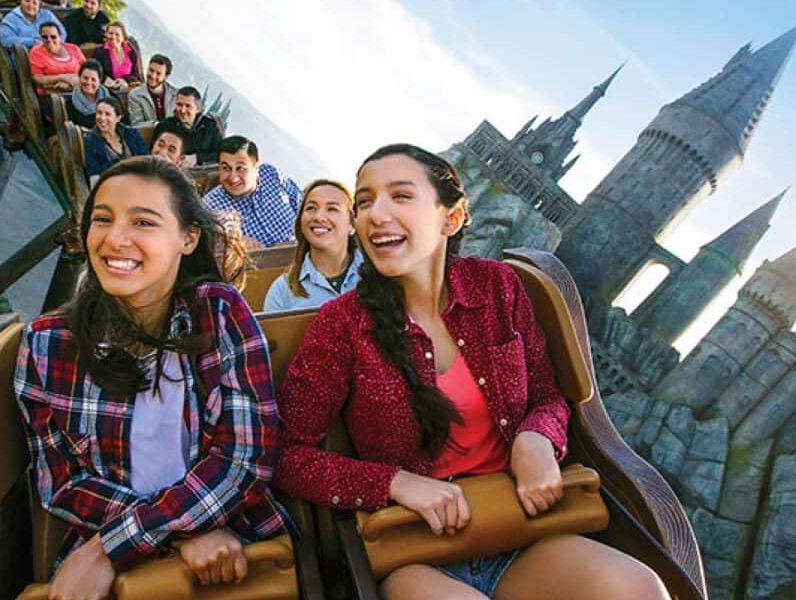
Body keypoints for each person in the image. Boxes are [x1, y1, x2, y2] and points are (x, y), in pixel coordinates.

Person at [274, 144, 669, 600]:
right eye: (364, 201)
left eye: (400, 196)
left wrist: (537, 438)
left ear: (452, 217)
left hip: (518, 526)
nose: (375, 214)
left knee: (639, 588)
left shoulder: (499, 287)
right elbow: (288, 455)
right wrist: (396, 483)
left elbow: (547, 395)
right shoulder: (341, 324)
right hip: (415, 550)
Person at [15, 157, 283, 599]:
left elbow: (244, 462)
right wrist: (175, 535)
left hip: (236, 543)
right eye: (103, 219)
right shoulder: (47, 344)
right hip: (119, 563)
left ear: (188, 238)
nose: (115, 239)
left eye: (143, 222)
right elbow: (62, 482)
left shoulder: (218, 313)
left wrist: (114, 545)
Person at [263, 179, 364, 312]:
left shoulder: (377, 272)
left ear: (352, 224)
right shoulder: (282, 291)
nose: (318, 217)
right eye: (311, 208)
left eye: (332, 209)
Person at [202, 136, 300, 249]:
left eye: (240, 168)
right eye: (226, 168)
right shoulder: (210, 205)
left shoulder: (272, 175)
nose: (233, 178)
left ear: (256, 167)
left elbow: (302, 205)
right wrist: (234, 244)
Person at [155, 87, 224, 166]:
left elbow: (221, 153)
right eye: (179, 105)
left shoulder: (210, 126)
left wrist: (197, 158)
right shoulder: (165, 126)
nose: (182, 110)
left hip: (203, 170)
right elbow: (154, 153)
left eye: (188, 106)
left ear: (198, 109)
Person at [83, 98, 149, 181]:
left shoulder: (131, 133)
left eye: (107, 114)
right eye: (99, 113)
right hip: (110, 183)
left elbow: (145, 157)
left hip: (138, 178)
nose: (102, 118)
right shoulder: (89, 141)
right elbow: (94, 171)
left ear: (118, 118)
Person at [28, 22, 84, 96]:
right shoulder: (36, 52)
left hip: (78, 88)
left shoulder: (73, 48)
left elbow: (87, 69)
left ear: (60, 36)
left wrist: (70, 83)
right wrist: (62, 78)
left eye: (53, 37)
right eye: (45, 37)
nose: (49, 40)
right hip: (51, 94)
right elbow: (38, 78)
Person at [127, 54, 178, 126]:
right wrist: (157, 125)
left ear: (166, 77)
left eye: (158, 73)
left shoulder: (176, 95)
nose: (153, 76)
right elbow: (136, 124)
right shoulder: (135, 95)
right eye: (151, 70)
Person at [94, 21, 141, 92]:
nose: (113, 37)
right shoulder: (99, 51)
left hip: (128, 89)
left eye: (117, 34)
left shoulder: (131, 51)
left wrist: (124, 80)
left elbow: (136, 75)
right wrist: (105, 79)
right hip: (107, 90)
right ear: (106, 35)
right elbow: (94, 70)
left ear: (123, 38)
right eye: (110, 33)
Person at [0, 0, 66, 49]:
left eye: (34, 2)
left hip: (50, 53)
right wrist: (32, 42)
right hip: (23, 58)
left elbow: (62, 32)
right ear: (21, 1)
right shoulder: (11, 19)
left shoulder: (47, 15)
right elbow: (6, 40)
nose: (30, 5)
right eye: (27, 1)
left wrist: (53, 43)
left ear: (39, 4)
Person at [65, 60, 110, 128]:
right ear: (79, 78)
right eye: (85, 78)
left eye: (93, 79)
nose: (88, 82)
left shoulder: (110, 98)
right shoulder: (71, 103)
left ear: (99, 81)